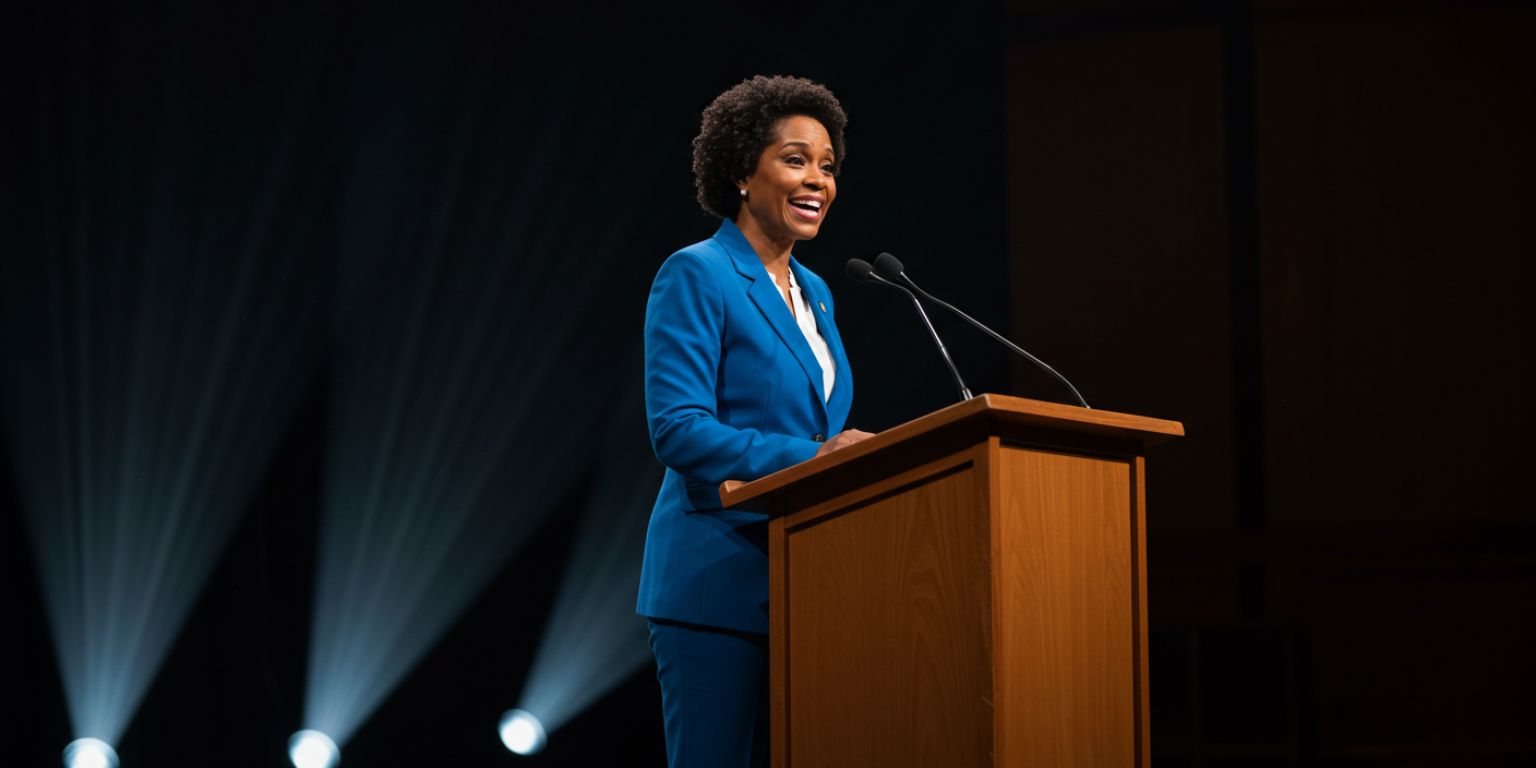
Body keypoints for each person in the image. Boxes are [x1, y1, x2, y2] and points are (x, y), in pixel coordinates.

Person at [637, 75, 874, 768]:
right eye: (796, 159)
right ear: (743, 170)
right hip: (715, 581)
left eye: (828, 166)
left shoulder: (820, 293)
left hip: (809, 579)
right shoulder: (697, 273)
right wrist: (816, 457)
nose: (818, 180)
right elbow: (677, 428)